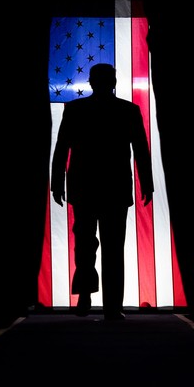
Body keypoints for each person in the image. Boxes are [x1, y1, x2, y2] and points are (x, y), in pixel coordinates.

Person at [51, 63, 154, 321]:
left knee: (85, 245)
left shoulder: (75, 110)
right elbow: (141, 151)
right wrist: (147, 183)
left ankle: (85, 294)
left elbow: (62, 149)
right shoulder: (128, 111)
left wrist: (56, 183)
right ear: (114, 82)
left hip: (84, 188)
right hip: (115, 189)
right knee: (113, 249)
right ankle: (111, 307)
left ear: (91, 82)